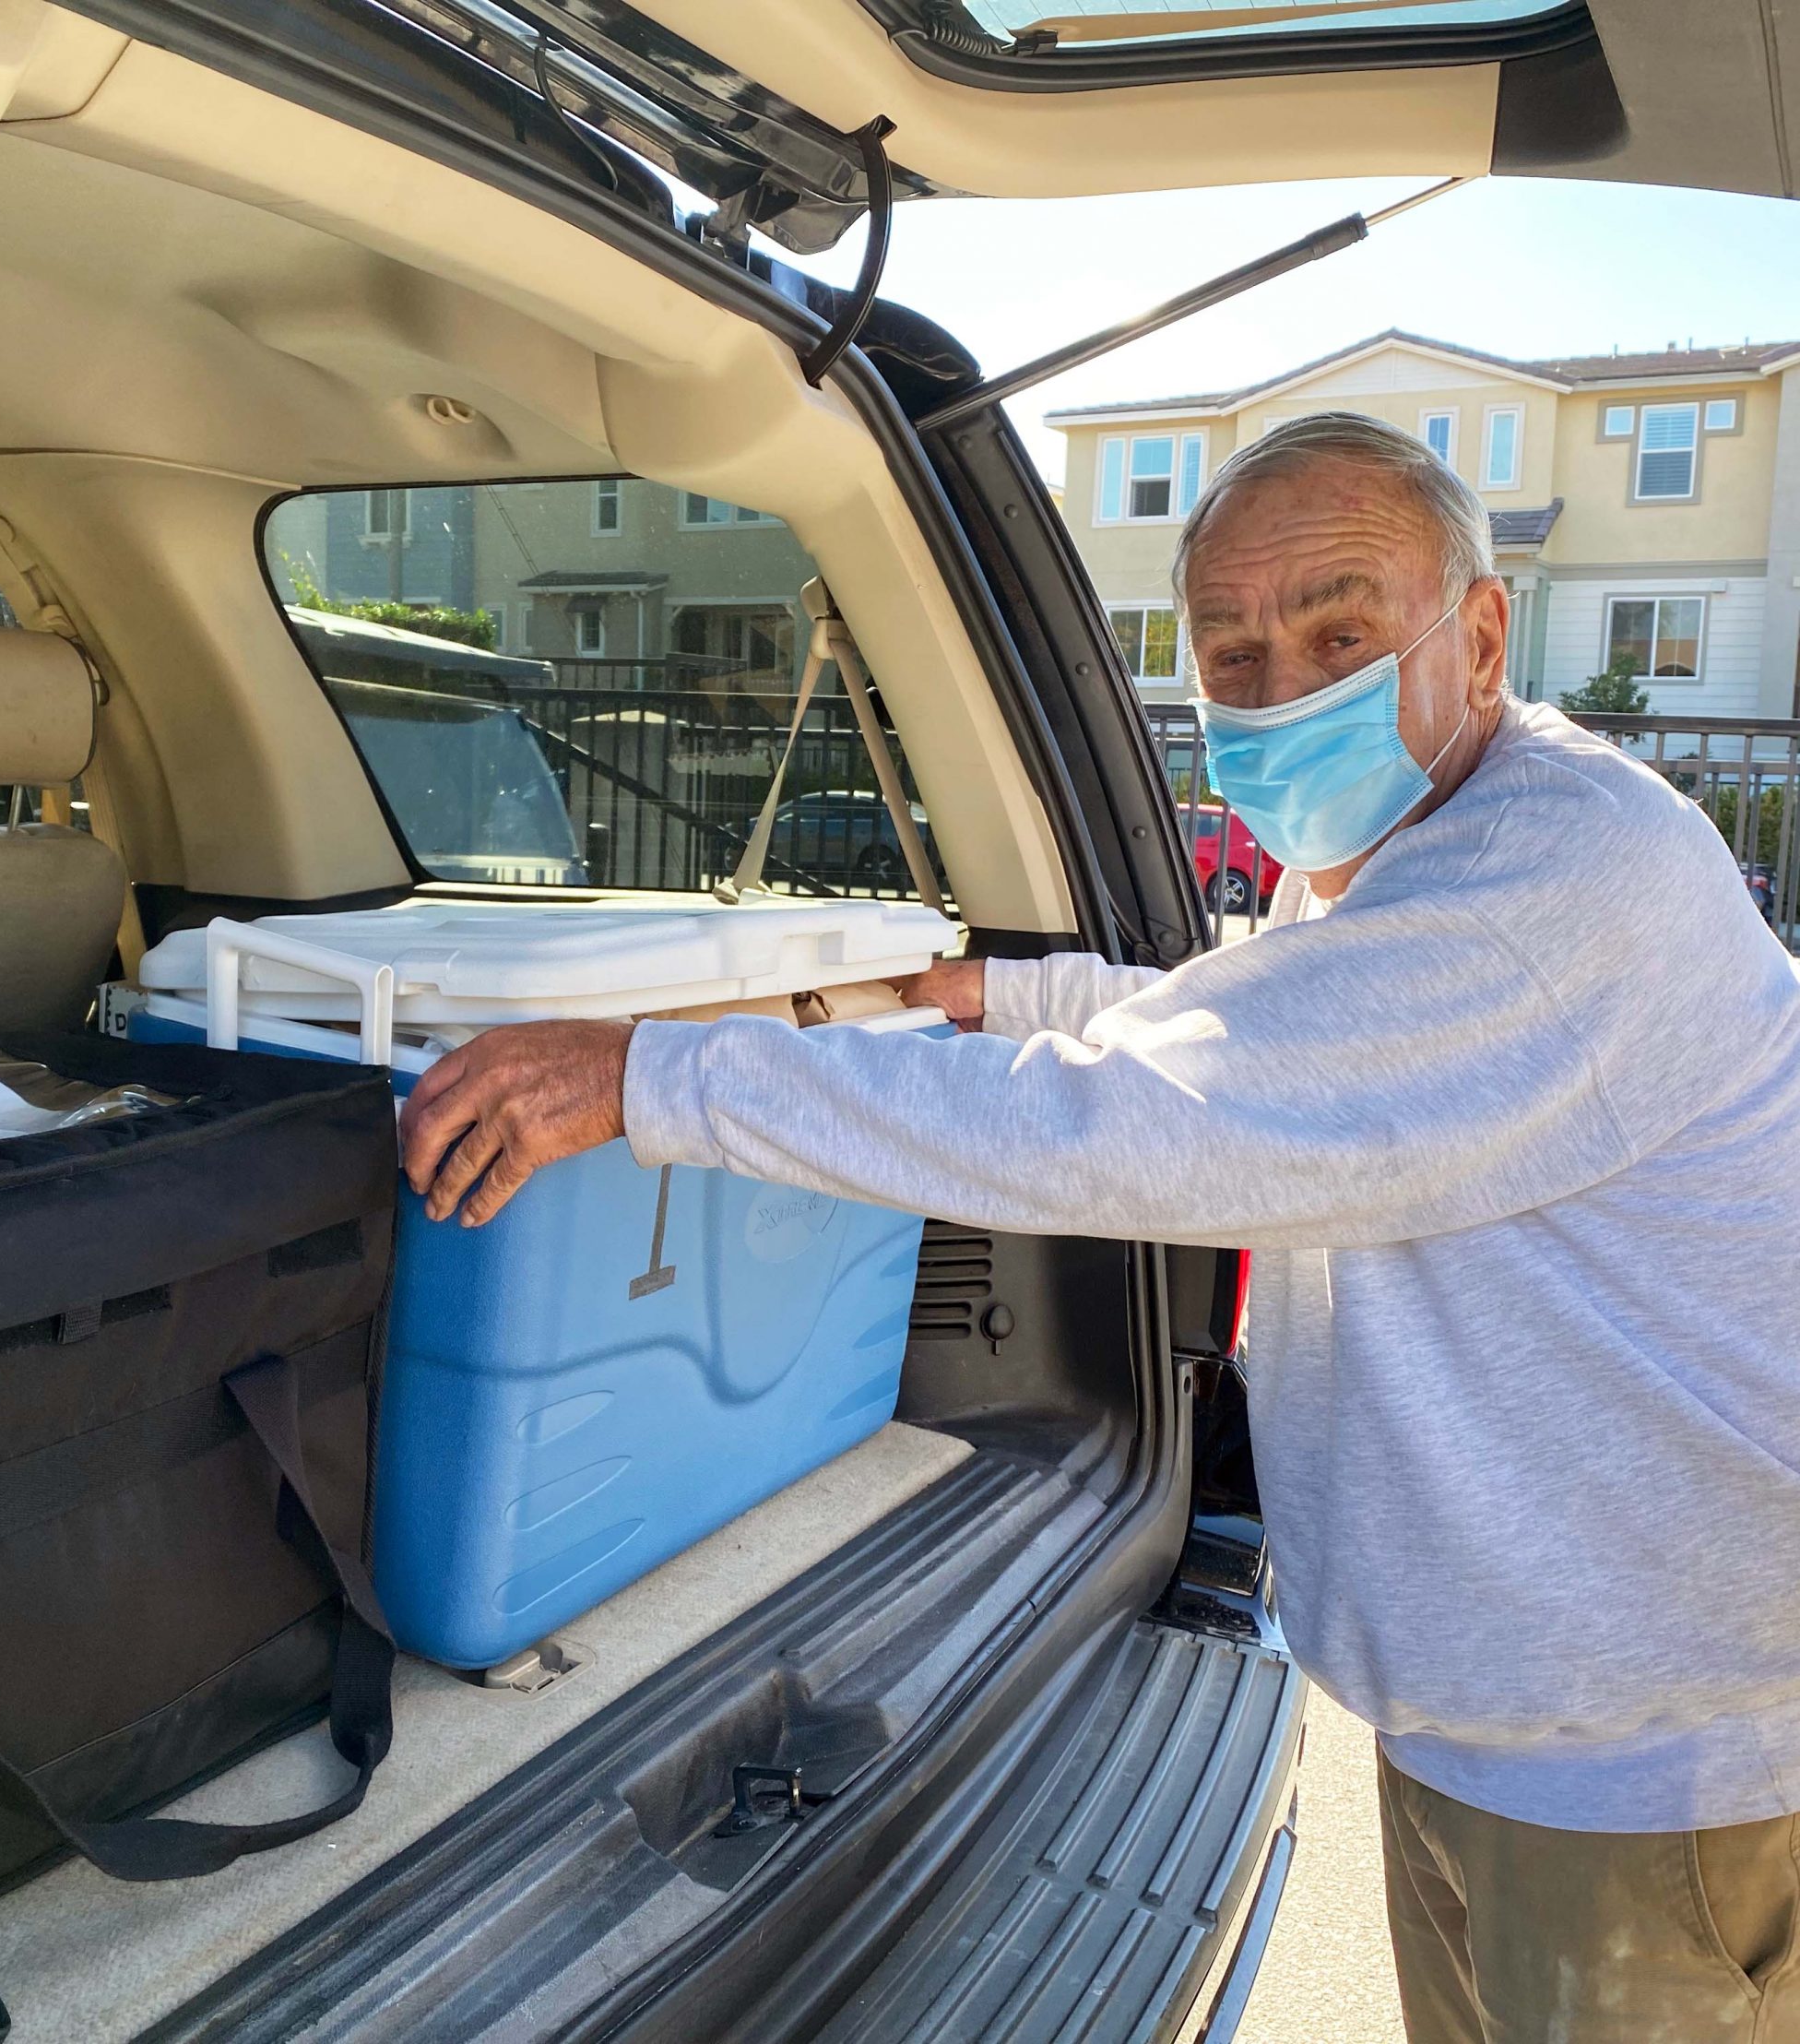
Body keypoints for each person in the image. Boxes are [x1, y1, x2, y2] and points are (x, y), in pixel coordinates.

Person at [398, 411, 1800, 2041]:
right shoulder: (1404, 849)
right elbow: (1252, 1036)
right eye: (1236, 651)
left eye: (1342, 632)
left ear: (1480, 635)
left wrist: (650, 1079)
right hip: (1509, 1714)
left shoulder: (1561, 876)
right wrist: (1006, 992)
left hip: (1648, 1764)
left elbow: (1145, 1127)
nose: (1283, 685)